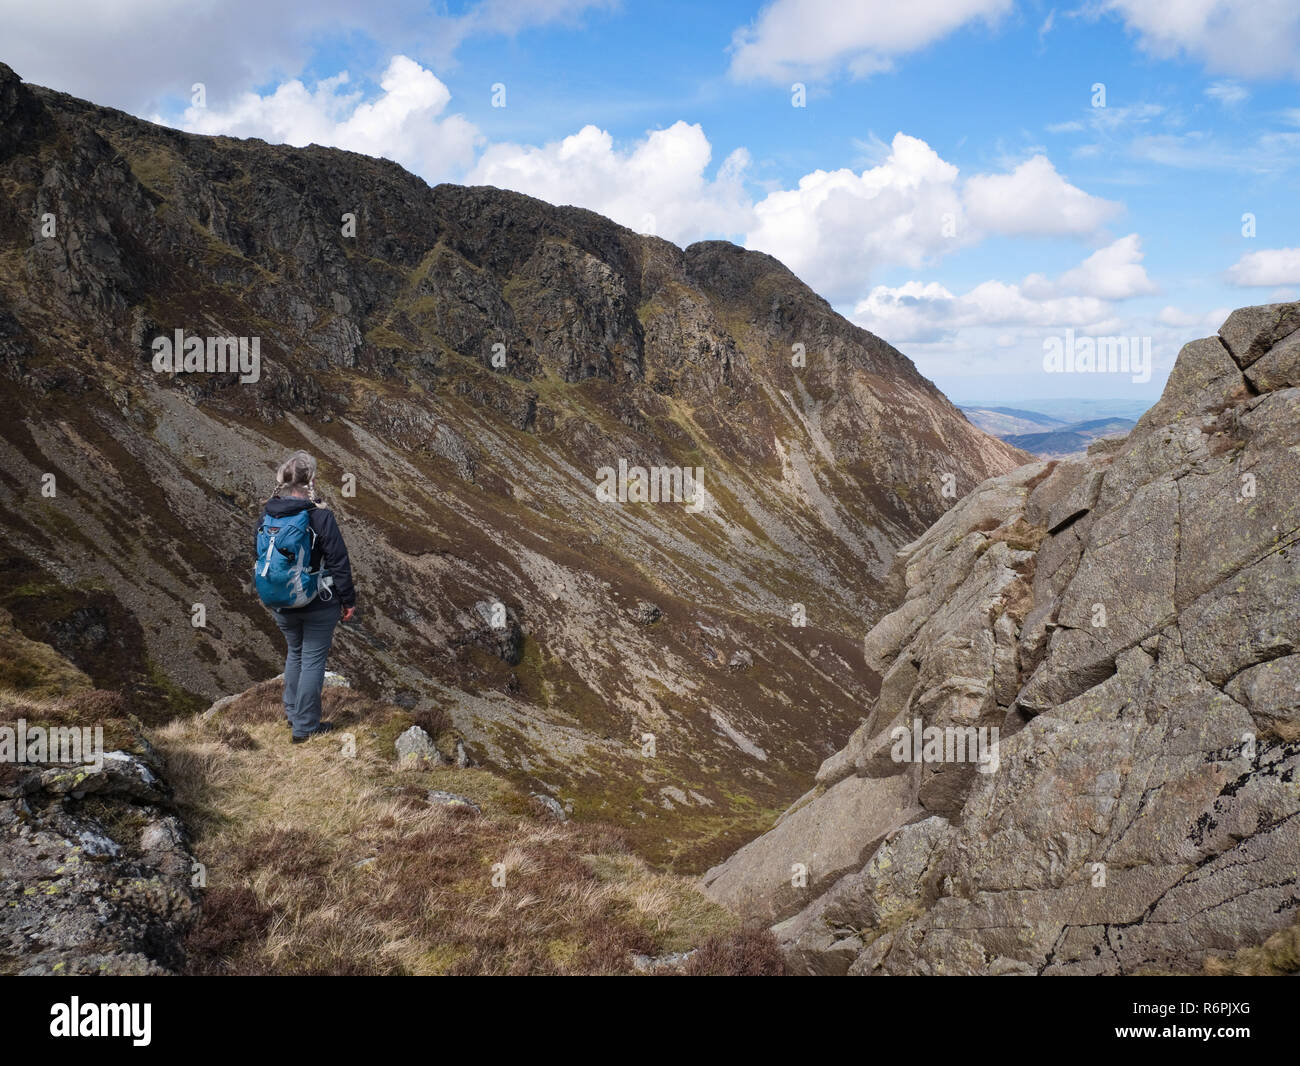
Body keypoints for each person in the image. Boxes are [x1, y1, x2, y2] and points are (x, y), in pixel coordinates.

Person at [257, 451, 356, 743]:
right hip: (318, 601)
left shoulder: (268, 513)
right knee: (312, 660)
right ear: (311, 480)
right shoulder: (320, 515)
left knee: (295, 653)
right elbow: (339, 561)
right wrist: (348, 600)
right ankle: (305, 728)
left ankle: (292, 714)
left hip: (280, 599)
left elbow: (260, 555)